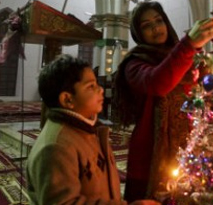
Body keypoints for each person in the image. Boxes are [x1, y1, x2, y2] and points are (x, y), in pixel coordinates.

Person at [112, 2, 213, 201]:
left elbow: (206, 89)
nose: (156, 28)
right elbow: (158, 83)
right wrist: (189, 45)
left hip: (188, 145)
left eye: (159, 21)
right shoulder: (134, 63)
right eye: (147, 26)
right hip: (151, 153)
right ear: (138, 33)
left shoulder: (184, 55)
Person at [26, 54, 159, 205]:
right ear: (67, 99)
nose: (100, 90)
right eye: (91, 86)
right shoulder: (55, 147)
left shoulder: (88, 130)